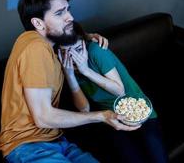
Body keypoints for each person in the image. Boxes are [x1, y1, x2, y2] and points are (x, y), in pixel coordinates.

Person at [0, 0, 140, 163]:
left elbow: (67, 37)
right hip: (27, 146)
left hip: (57, 140)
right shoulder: (35, 48)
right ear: (38, 23)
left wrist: (85, 36)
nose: (70, 17)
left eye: (68, 9)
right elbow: (43, 117)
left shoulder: (48, 47)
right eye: (59, 13)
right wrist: (102, 116)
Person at [57, 22, 169, 163]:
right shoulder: (67, 67)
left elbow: (119, 91)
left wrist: (86, 71)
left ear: (85, 44)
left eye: (78, 49)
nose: (75, 59)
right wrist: (70, 75)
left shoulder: (96, 51)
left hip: (138, 110)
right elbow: (84, 109)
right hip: (112, 118)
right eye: (66, 53)